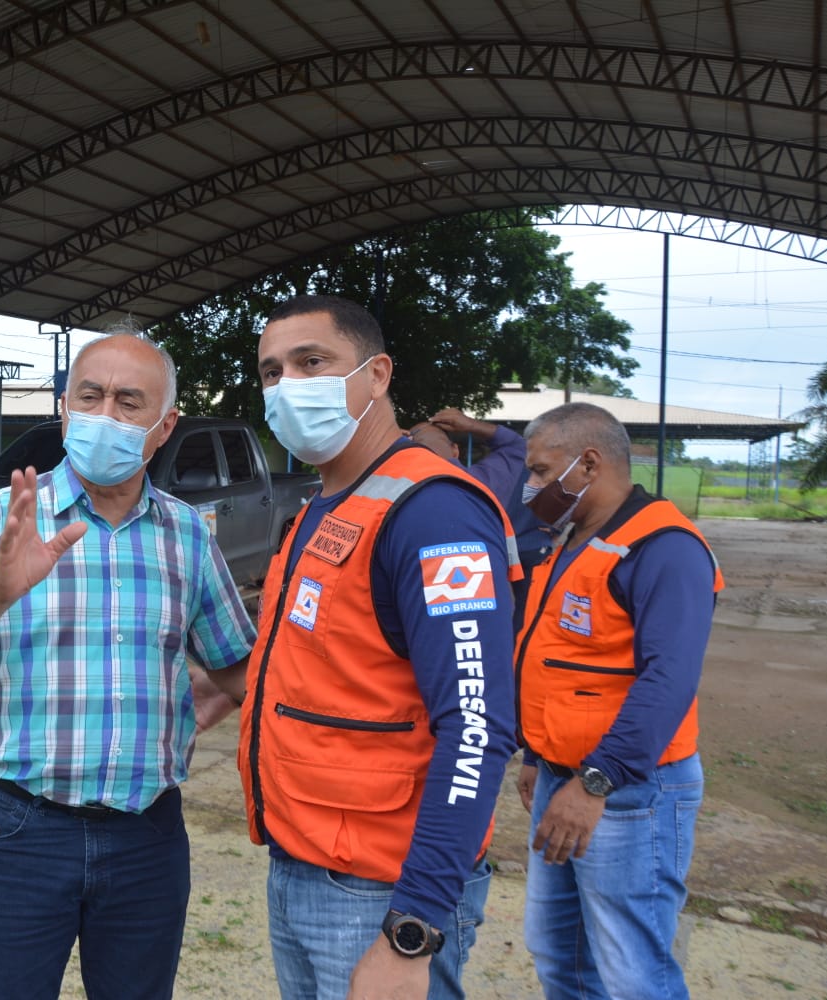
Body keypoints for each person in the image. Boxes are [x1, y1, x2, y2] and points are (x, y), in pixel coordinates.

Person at [0, 331, 255, 1000]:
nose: (104, 416)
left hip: (147, 837)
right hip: (18, 831)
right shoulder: (3, 519)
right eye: (89, 397)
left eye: (129, 402)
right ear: (64, 408)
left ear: (164, 426)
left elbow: (239, 669)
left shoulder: (187, 534)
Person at [240, 294, 521, 1000]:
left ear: (377, 375)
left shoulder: (432, 512)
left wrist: (415, 926)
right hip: (303, 866)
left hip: (380, 891)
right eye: (272, 372)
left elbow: (478, 724)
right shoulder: (324, 505)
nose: (288, 386)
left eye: (313, 362)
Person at [513, 402, 722, 1000]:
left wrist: (596, 783)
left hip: (627, 792)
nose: (531, 486)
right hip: (563, 779)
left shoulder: (665, 547)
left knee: (634, 973)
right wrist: (536, 755)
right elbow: (557, 659)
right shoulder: (576, 538)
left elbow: (669, 681)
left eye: (542, 469)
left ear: (590, 463)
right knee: (561, 956)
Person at [410, 407, 552, 627]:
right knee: (522, 621)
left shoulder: (401, 495)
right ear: (455, 450)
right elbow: (518, 446)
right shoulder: (489, 478)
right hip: (523, 556)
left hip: (442, 600)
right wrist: (470, 424)